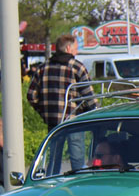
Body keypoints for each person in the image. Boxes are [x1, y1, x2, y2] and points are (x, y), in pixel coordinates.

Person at [27, 33, 96, 171]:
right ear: (68, 48)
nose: (77, 51)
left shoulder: (43, 68)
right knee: (77, 159)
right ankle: (77, 181)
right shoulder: (77, 67)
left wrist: (44, 112)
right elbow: (89, 98)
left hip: (53, 121)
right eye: (76, 48)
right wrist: (94, 114)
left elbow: (31, 96)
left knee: (53, 159)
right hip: (74, 120)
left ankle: (52, 181)